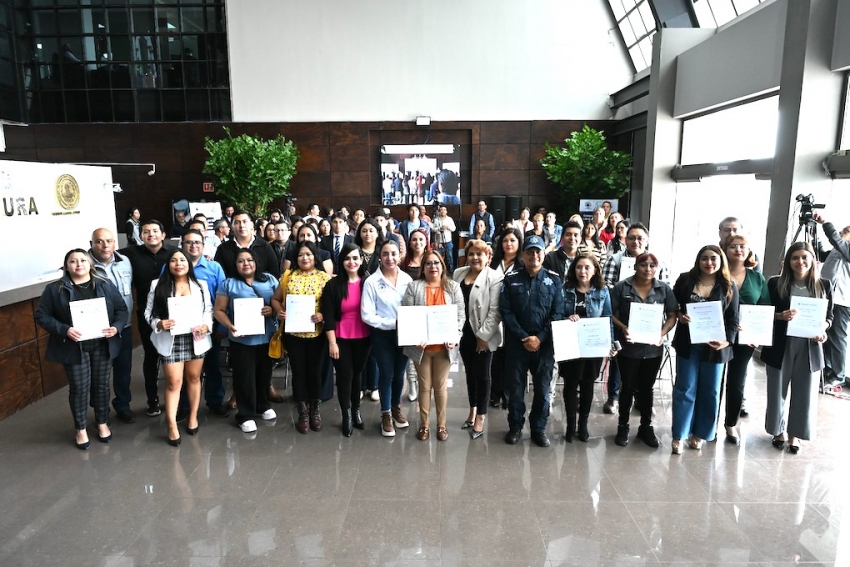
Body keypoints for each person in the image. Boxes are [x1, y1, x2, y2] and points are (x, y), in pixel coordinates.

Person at [35, 249, 129, 450]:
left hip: (102, 344)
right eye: (73, 261)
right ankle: (80, 428)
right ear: (66, 265)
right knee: (79, 387)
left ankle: (102, 422)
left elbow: (122, 309)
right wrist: (64, 329)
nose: (79, 264)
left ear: (90, 264)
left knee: (102, 385)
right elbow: (41, 316)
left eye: (83, 260)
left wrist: (117, 327)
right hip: (73, 346)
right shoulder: (54, 289)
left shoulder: (104, 284)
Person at [760, 242, 833, 454]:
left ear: (812, 260)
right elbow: (763, 312)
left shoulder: (824, 285)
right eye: (795, 257)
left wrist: (823, 329)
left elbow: (830, 317)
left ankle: (795, 435)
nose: (800, 262)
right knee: (776, 392)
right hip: (780, 345)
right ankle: (778, 431)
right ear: (788, 261)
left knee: (804, 393)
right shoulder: (775, 283)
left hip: (810, 345)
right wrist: (779, 316)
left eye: (804, 257)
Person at [670, 245, 739, 454]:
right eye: (705, 259)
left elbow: (734, 319)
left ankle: (700, 434)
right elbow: (674, 307)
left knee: (710, 391)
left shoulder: (729, 285)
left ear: (721, 262)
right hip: (688, 344)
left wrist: (727, 341)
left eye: (713, 259)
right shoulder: (685, 280)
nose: (709, 263)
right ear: (698, 260)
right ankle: (679, 434)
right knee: (685, 388)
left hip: (715, 348)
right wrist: (681, 317)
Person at [500, 235, 565, 447]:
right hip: (517, 346)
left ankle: (538, 428)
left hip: (545, 347)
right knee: (516, 390)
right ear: (522, 255)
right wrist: (523, 336)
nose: (534, 255)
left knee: (543, 390)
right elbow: (506, 311)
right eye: (529, 251)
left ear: (544, 254)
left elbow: (558, 312)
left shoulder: (554, 281)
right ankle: (515, 427)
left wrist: (540, 337)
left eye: (538, 251)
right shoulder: (511, 279)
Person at [145, 249, 213, 446]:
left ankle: (193, 416)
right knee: (174, 382)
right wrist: (158, 323)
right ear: (168, 264)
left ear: (188, 263)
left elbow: (208, 310)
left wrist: (206, 326)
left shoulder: (200, 285)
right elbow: (148, 312)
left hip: (196, 338)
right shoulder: (157, 285)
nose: (178, 263)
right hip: (170, 339)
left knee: (194, 378)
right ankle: (172, 424)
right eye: (174, 260)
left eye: (182, 260)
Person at [601, 222, 671, 415]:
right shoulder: (614, 260)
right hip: (621, 320)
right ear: (625, 239)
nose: (635, 241)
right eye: (631, 237)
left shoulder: (658, 262)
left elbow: (665, 291)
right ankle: (614, 397)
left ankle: (641, 398)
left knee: (646, 362)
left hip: (648, 323)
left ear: (647, 241)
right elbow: (607, 289)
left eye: (640, 238)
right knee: (619, 358)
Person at [610, 252, 678, 448]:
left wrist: (662, 333)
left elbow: (673, 314)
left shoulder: (664, 289)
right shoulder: (622, 287)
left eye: (652, 266)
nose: (647, 269)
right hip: (628, 348)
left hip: (653, 349)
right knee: (628, 386)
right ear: (635, 266)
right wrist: (623, 327)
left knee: (647, 388)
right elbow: (610, 312)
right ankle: (623, 425)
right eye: (643, 265)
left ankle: (645, 426)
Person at [214, 249, 279, 434]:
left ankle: (263, 405)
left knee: (264, 373)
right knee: (244, 376)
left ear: (256, 262)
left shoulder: (269, 280)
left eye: (249, 260)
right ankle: (246, 414)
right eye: (240, 261)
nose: (246, 264)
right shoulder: (229, 284)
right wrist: (229, 326)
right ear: (235, 265)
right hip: (241, 339)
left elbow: (279, 301)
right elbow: (219, 310)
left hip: (266, 336)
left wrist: (272, 310)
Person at [403, 250, 465, 441]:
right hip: (421, 348)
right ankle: (424, 425)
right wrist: (414, 337)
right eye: (428, 263)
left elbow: (460, 316)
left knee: (440, 387)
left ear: (442, 265)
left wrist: (455, 336)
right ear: (423, 267)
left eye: (436, 263)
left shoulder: (453, 287)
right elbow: (407, 315)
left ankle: (441, 425)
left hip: (444, 348)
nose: (433, 267)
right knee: (424, 386)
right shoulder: (414, 287)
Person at [272, 241, 331, 433]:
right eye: (300, 255)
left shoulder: (324, 278)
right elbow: (275, 299)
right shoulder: (289, 277)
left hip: (317, 334)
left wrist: (323, 314)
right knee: (299, 371)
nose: (304, 258)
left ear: (315, 256)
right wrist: (280, 311)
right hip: (294, 334)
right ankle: (302, 411)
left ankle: (315, 409)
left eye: (308, 254)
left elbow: (332, 306)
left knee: (315, 372)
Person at [120, 219, 177, 417]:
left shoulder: (173, 254)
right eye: (146, 231)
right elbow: (104, 254)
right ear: (140, 235)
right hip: (147, 314)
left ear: (163, 235)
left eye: (155, 231)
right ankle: (152, 399)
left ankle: (178, 400)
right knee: (151, 358)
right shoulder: (129, 254)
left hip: (175, 314)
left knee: (174, 358)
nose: (150, 234)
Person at [559, 254, 614, 443]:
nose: (582, 271)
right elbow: (556, 314)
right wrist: (567, 318)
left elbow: (607, 318)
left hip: (592, 344)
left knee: (588, 384)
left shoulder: (602, 291)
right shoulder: (565, 290)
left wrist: (610, 343)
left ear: (595, 270)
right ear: (573, 270)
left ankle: (583, 425)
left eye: (587, 267)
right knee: (570, 385)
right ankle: (570, 425)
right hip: (570, 343)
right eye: (579, 267)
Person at [361, 240, 413, 437]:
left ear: (400, 255)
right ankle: (385, 414)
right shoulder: (372, 282)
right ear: (379, 256)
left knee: (400, 374)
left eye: (393, 254)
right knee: (387, 374)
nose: (390, 258)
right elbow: (367, 315)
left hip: (405, 334)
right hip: (382, 335)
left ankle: (395, 408)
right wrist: (393, 323)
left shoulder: (407, 279)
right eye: (385, 254)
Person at [453, 239, 503, 439]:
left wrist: (483, 337)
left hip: (482, 335)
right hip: (462, 333)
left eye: (479, 254)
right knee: (470, 374)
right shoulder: (459, 274)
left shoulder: (494, 277)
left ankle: (481, 416)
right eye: (471, 253)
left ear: (488, 257)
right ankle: (472, 410)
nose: (475, 257)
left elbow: (495, 311)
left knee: (483, 376)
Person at [722, 234, 769, 444]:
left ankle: (730, 424)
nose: (738, 250)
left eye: (743, 246)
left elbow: (765, 308)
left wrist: (757, 333)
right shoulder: (717, 273)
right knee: (713, 382)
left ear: (749, 251)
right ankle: (705, 426)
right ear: (725, 250)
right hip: (718, 335)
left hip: (746, 339)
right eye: (733, 246)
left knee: (737, 381)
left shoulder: (757, 278)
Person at [176, 230, 228, 418]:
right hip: (180, 328)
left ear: (203, 245)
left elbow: (223, 299)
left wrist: (221, 326)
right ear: (182, 245)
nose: (193, 246)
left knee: (212, 366)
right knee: (183, 369)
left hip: (208, 327)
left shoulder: (214, 268)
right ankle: (184, 406)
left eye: (197, 242)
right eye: (188, 242)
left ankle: (215, 402)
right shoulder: (172, 267)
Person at [322, 243, 371, 436]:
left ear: (361, 260)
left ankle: (356, 410)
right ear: (341, 261)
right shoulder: (333, 285)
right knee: (345, 376)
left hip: (364, 337)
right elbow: (328, 316)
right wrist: (332, 342)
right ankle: (346, 414)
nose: (351, 262)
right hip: (340, 338)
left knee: (357, 374)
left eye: (355, 258)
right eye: (347, 258)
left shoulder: (368, 283)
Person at [89, 228, 136, 424]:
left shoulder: (125, 262)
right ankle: (101, 411)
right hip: (97, 330)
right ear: (92, 243)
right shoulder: (85, 264)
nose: (105, 245)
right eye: (99, 241)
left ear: (115, 243)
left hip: (123, 326)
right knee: (99, 373)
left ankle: (123, 405)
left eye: (109, 241)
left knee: (123, 369)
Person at [812, 212, 850, 389]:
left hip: (842, 300)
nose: (843, 235)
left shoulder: (846, 249)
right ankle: (826, 370)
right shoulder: (838, 250)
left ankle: (837, 375)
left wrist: (825, 223)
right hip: (827, 298)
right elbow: (820, 254)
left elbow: (837, 241)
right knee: (826, 336)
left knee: (837, 338)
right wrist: (813, 233)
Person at [489, 227, 523, 408]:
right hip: (495, 317)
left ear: (519, 244)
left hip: (514, 318)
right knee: (495, 358)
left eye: (512, 240)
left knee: (512, 359)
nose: (508, 244)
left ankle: (508, 395)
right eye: (505, 240)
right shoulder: (493, 264)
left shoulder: (523, 265)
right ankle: (495, 393)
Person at [215, 210, 281, 280]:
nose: (242, 226)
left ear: (252, 224)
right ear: (232, 226)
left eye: (245, 221)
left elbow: (274, 274)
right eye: (237, 222)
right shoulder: (223, 249)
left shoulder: (265, 246)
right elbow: (219, 276)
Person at [430, 204, 456, 272]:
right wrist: (439, 229)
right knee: (439, 257)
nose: (443, 211)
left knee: (449, 256)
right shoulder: (436, 219)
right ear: (439, 211)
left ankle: (451, 271)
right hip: (439, 241)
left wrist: (448, 227)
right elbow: (432, 228)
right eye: (441, 210)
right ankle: (440, 271)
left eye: (444, 210)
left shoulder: (449, 219)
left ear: (446, 211)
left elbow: (454, 229)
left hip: (448, 241)